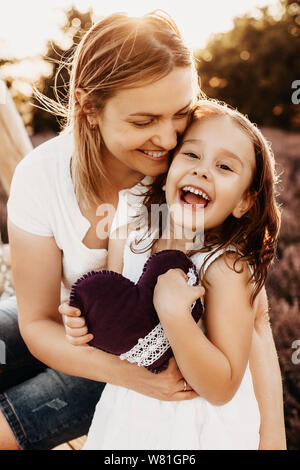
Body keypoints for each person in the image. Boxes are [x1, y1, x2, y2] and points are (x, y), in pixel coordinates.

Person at [2, 11, 285, 450]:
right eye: (143, 121)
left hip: (159, 360)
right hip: (85, 335)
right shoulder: (42, 176)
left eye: (180, 114)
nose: (170, 139)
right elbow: (37, 321)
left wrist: (272, 439)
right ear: (89, 107)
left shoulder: (192, 169)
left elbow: (255, 321)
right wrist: (114, 362)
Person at [79, 100, 282, 449]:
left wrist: (176, 316)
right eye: (191, 155)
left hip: (197, 432)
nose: (202, 171)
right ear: (169, 166)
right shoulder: (129, 239)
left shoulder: (224, 269)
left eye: (224, 166)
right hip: (127, 416)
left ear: (243, 202)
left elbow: (222, 388)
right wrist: (81, 323)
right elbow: (110, 324)